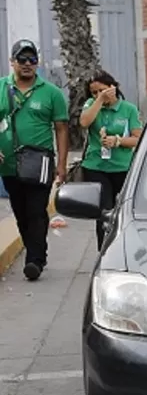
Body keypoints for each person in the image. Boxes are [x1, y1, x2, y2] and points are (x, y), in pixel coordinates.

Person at [0, 39, 69, 281]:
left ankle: (35, 260)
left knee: (36, 210)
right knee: (20, 211)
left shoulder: (51, 93)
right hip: (8, 164)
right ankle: (36, 250)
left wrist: (61, 165)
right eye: (22, 59)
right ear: (12, 62)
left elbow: (61, 128)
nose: (28, 64)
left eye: (32, 59)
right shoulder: (1, 88)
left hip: (40, 162)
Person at [78, 70, 143, 250]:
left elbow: (138, 139)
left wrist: (118, 141)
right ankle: (104, 251)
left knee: (125, 210)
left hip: (122, 167)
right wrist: (99, 101)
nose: (99, 94)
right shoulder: (91, 105)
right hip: (96, 166)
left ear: (112, 87)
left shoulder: (128, 109)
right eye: (94, 92)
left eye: (102, 90)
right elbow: (84, 122)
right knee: (105, 211)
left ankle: (126, 248)